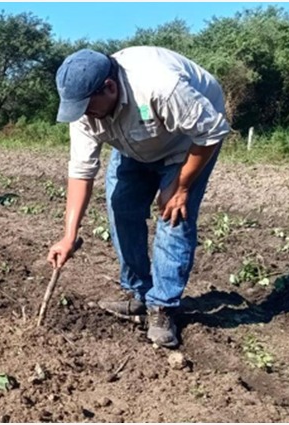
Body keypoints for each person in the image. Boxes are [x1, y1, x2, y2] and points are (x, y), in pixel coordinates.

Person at [46, 46, 231, 348]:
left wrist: (181, 186)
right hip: (134, 143)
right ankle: (139, 293)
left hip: (187, 144)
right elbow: (81, 170)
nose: (84, 116)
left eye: (89, 107)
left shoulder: (160, 86)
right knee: (121, 207)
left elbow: (210, 133)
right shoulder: (83, 110)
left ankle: (163, 306)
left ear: (109, 87)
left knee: (174, 216)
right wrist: (68, 235)